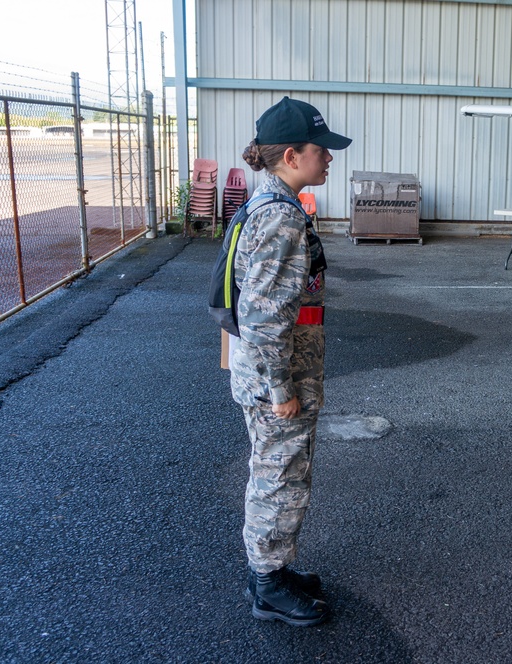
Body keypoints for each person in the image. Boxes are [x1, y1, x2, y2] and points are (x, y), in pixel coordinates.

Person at [229, 96, 351, 626]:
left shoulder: (267, 204)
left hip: (266, 371)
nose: (329, 158)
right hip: (278, 378)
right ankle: (268, 583)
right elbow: (263, 318)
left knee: (278, 471)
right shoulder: (281, 219)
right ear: (292, 156)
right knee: (280, 476)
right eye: (321, 150)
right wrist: (281, 390)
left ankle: (273, 566)